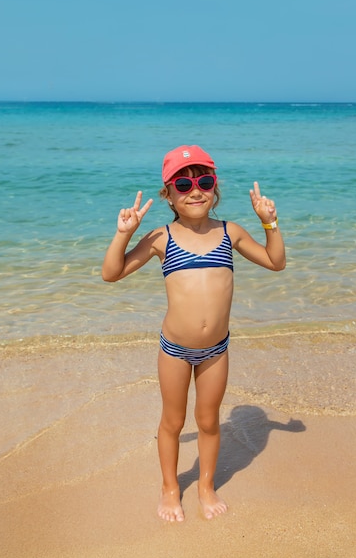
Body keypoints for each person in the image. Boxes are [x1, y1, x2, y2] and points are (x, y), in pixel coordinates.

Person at [102, 145, 286, 522]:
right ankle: (170, 487)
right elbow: (112, 272)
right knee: (172, 421)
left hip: (216, 350)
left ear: (214, 187)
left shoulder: (229, 232)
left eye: (204, 180)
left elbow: (275, 262)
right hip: (174, 350)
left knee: (208, 420)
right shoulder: (161, 238)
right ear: (167, 194)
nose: (195, 190)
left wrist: (270, 223)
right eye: (183, 184)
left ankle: (205, 485)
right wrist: (124, 234)